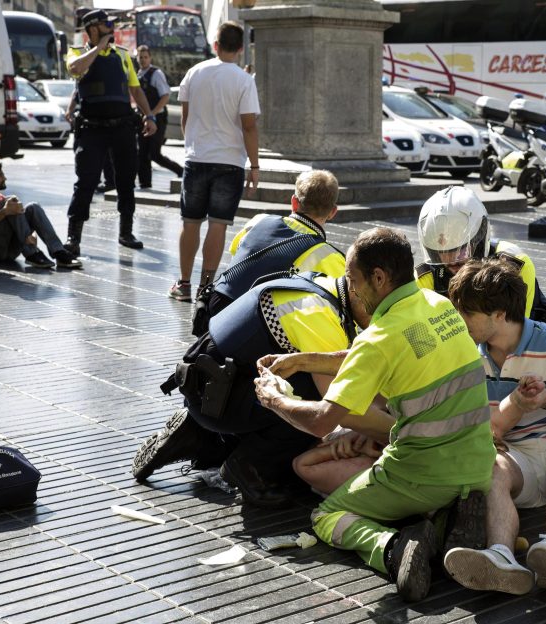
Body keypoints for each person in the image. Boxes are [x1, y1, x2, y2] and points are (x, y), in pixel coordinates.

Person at [254, 227, 495, 602]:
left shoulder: (378, 338)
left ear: (379, 278)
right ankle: (449, 518)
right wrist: (301, 361)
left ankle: (393, 548)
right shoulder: (437, 305)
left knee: (325, 516)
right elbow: (369, 358)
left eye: (352, 279)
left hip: (423, 474)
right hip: (480, 464)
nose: (350, 289)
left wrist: (273, 399)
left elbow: (321, 420)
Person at [133, 270, 393, 508]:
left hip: (208, 388)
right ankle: (250, 466)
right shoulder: (319, 315)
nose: (377, 321)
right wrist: (402, 434)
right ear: (360, 289)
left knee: (296, 379)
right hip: (219, 399)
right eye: (377, 310)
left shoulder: (320, 285)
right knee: (310, 404)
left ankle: (198, 434)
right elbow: (338, 409)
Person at [442, 259, 546, 594]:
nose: (457, 321)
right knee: (489, 466)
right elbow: (489, 431)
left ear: (500, 314)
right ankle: (501, 556)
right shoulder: (464, 354)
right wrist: (517, 405)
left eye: (466, 313)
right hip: (515, 453)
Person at [170, 21, 259, 301]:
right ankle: (205, 287)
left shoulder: (194, 73)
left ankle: (183, 284)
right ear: (241, 48)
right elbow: (248, 126)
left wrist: (194, 143)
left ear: (215, 45)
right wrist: (254, 165)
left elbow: (185, 118)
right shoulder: (244, 80)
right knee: (218, 224)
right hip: (230, 161)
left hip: (197, 157)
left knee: (191, 223)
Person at [416, 186, 546, 335]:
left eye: (460, 249)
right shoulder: (426, 277)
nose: (451, 260)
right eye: (441, 253)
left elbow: (515, 334)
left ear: (480, 236)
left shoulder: (514, 266)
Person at [64, 9, 158, 256]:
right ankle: (74, 236)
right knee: (86, 181)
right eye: (107, 24)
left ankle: (126, 232)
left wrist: (149, 116)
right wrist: (98, 49)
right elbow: (75, 69)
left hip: (122, 128)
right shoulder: (77, 53)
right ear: (93, 29)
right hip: (92, 129)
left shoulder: (123, 55)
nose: (112, 28)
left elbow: (135, 91)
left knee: (126, 181)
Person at [193, 170, 344, 312]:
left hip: (217, 306)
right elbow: (340, 301)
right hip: (254, 323)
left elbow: (235, 251)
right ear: (332, 212)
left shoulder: (258, 221)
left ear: (294, 202)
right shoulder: (327, 255)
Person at [0, 156, 83, 269]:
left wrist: (31, 235)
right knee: (10, 204)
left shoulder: (1, 199)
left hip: (9, 251)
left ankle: (59, 252)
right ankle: (32, 253)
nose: (4, 178)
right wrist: (4, 211)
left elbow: (20, 222)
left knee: (33, 207)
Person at [135, 45, 183, 189]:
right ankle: (144, 183)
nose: (143, 60)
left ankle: (181, 171)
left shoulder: (156, 74)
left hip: (158, 118)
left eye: (145, 57)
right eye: (140, 57)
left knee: (154, 153)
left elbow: (165, 96)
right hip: (143, 119)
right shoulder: (138, 74)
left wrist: (152, 114)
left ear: (150, 58)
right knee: (142, 153)